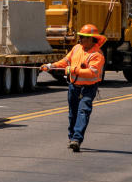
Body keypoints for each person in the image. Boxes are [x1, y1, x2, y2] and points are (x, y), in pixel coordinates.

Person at [41, 23, 105, 152]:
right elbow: (65, 61)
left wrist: (73, 70)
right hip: (74, 87)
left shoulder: (97, 55)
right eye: (80, 36)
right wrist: (51, 66)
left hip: (89, 89)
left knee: (83, 112)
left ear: (92, 39)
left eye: (83, 37)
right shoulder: (76, 48)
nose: (80, 39)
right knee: (72, 114)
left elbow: (92, 72)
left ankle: (76, 139)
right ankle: (72, 138)